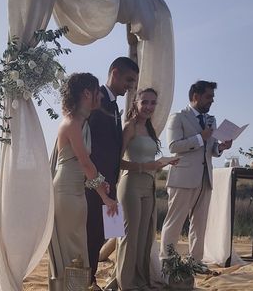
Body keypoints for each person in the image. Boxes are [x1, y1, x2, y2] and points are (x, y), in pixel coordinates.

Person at [48, 73, 118, 291]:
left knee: (78, 248)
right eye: (98, 92)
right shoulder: (71, 124)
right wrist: (105, 196)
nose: (100, 97)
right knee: (72, 251)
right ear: (87, 93)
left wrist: (98, 184)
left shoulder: (82, 123)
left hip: (77, 193)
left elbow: (83, 168)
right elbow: (85, 163)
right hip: (66, 195)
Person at [159, 81, 232, 262]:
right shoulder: (178, 117)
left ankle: (195, 263)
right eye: (209, 97)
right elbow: (173, 146)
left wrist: (221, 147)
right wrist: (201, 137)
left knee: (200, 225)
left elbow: (212, 149)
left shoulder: (211, 120)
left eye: (213, 98)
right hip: (183, 178)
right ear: (196, 96)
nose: (212, 101)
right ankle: (167, 264)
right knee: (174, 223)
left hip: (205, 179)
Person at [116, 88, 178, 291]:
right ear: (136, 103)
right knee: (129, 236)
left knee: (145, 237)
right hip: (131, 184)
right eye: (145, 102)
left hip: (149, 186)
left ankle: (141, 281)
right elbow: (117, 162)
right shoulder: (129, 127)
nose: (149, 107)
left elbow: (151, 160)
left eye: (153, 103)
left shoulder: (151, 129)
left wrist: (165, 162)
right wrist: (145, 167)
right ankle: (126, 284)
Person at [86, 57, 139, 289]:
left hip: (110, 183)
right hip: (94, 184)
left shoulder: (115, 105)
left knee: (106, 233)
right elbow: (90, 146)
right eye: (129, 80)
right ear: (115, 73)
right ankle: (88, 281)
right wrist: (97, 181)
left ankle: (93, 276)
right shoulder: (96, 101)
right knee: (93, 233)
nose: (130, 86)